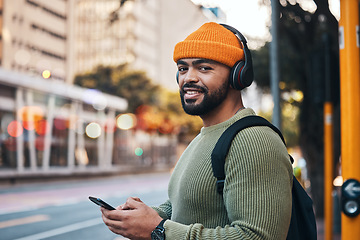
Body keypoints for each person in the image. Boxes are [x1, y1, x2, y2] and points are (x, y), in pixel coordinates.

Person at [101, 22, 293, 240]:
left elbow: (257, 237)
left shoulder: (254, 140)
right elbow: (188, 208)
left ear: (237, 75)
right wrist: (149, 216)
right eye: (183, 68)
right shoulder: (203, 137)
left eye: (204, 68)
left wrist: (159, 230)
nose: (188, 78)